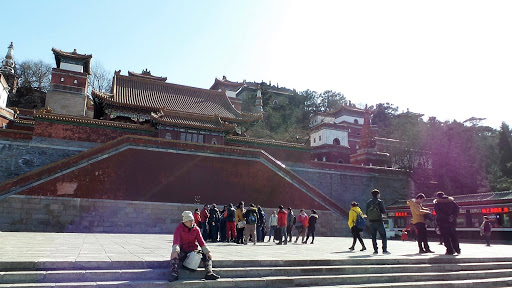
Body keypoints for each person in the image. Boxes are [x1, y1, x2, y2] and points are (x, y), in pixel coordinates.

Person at [169, 211, 220, 282]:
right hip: (183, 250)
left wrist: (207, 251)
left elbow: (201, 241)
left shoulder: (196, 229)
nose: (192, 222)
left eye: (192, 220)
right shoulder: (179, 229)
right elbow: (176, 241)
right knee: (175, 255)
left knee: (207, 255)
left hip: (193, 251)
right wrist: (175, 250)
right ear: (185, 221)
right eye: (190, 221)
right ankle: (174, 273)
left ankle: (209, 273)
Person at [434, 191, 461, 255]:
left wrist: (446, 217)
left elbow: (438, 213)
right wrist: (453, 216)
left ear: (438, 197)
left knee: (446, 237)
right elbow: (457, 209)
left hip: (442, 222)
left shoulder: (438, 203)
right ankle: (457, 249)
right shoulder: (452, 202)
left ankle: (450, 250)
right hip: (452, 222)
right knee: (453, 236)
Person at [366, 189, 389, 254]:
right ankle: (384, 249)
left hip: (371, 222)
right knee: (383, 235)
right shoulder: (379, 202)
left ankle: (375, 250)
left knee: (373, 236)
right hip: (379, 221)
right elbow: (383, 211)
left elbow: (367, 212)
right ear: (378, 194)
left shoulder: (368, 203)